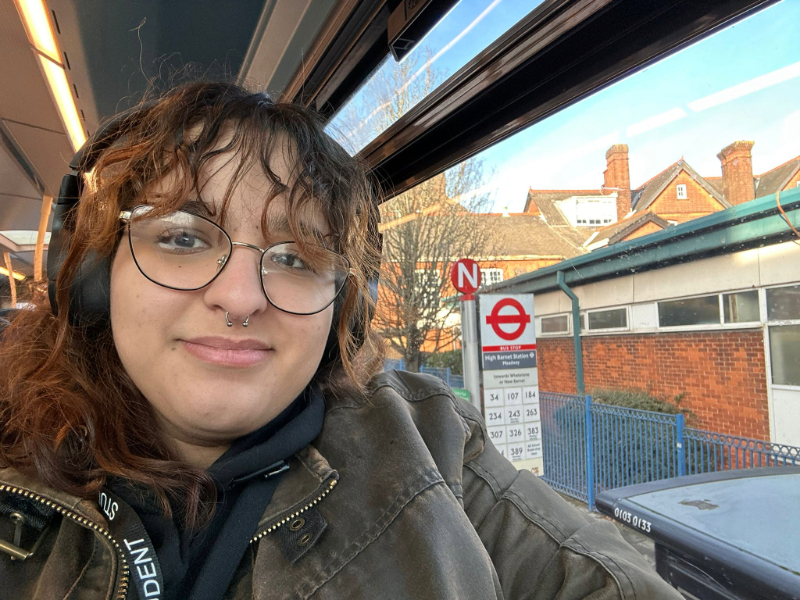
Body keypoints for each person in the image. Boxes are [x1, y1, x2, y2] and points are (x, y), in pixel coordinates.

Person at [0, 81, 682, 600]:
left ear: (344, 309)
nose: (241, 297)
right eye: (182, 237)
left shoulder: (430, 444)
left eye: (295, 257)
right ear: (89, 275)